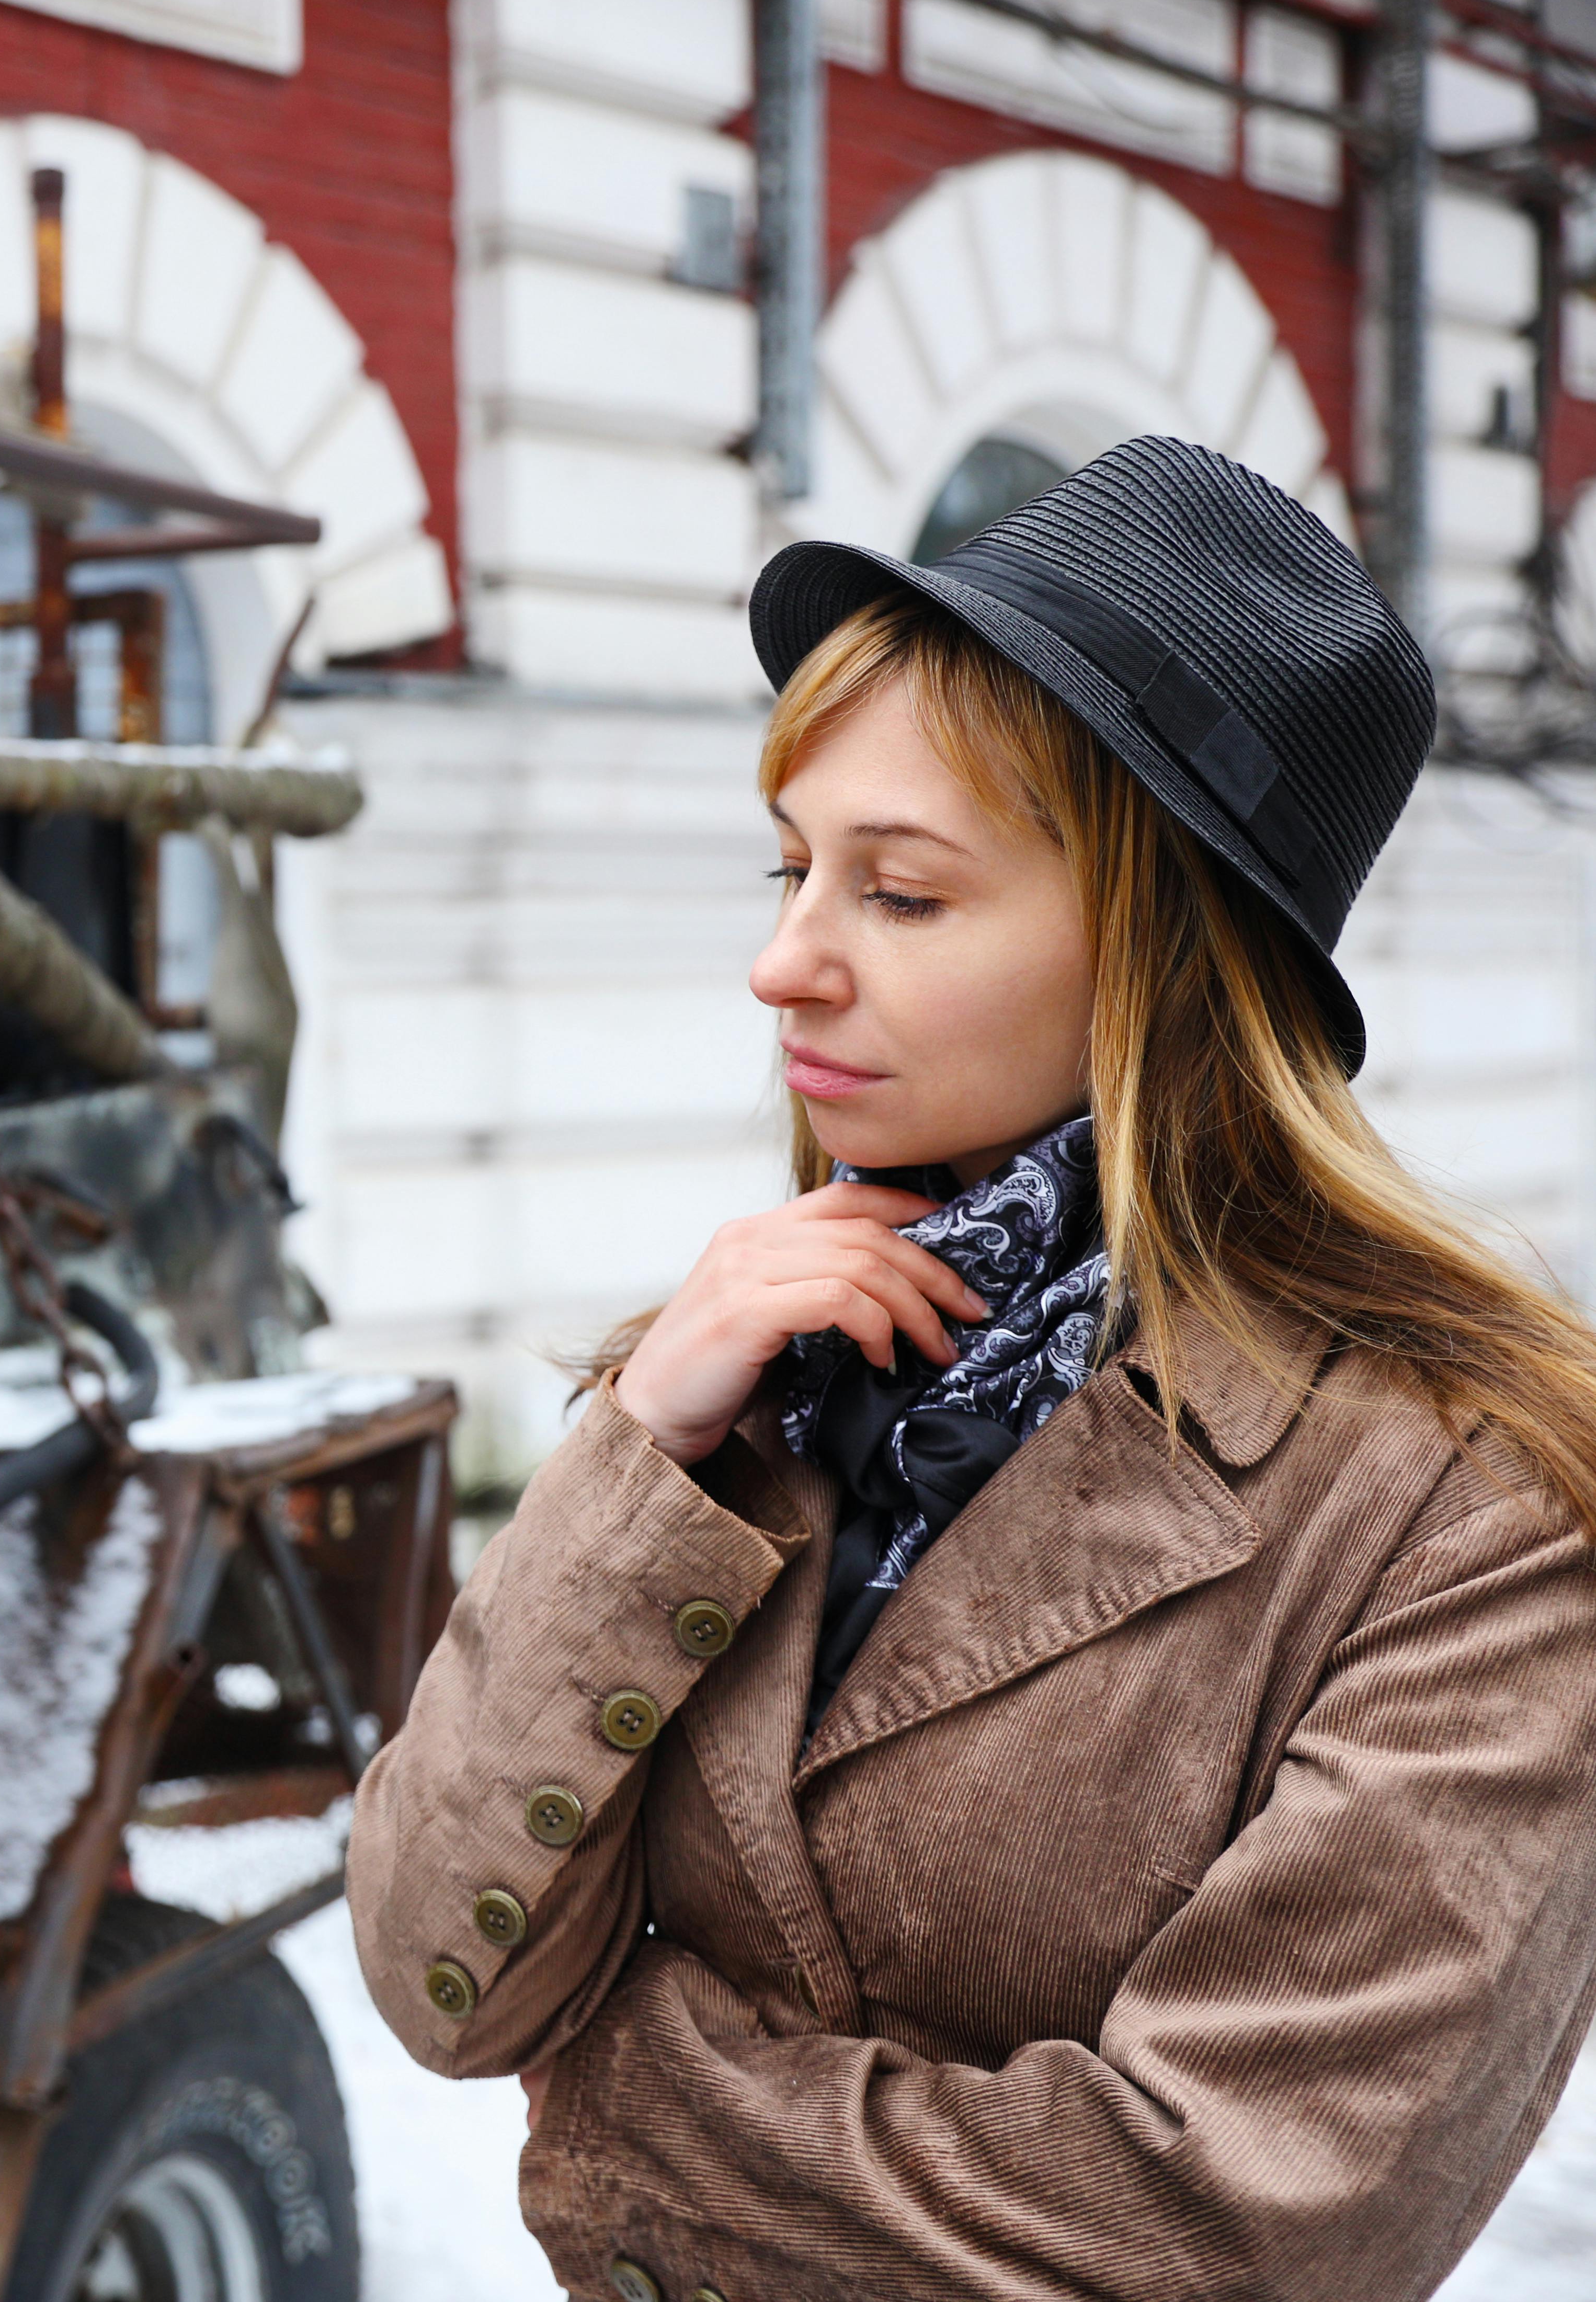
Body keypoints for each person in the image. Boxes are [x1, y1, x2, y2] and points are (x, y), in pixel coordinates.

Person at [348, 436, 1596, 2302]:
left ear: (1160, 960)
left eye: (900, 896)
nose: (784, 963)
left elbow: (1227, 2236)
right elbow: (442, 1968)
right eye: (790, 872)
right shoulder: (756, 1373)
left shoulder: (1472, 1514)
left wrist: (613, 2097)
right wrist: (643, 1447)